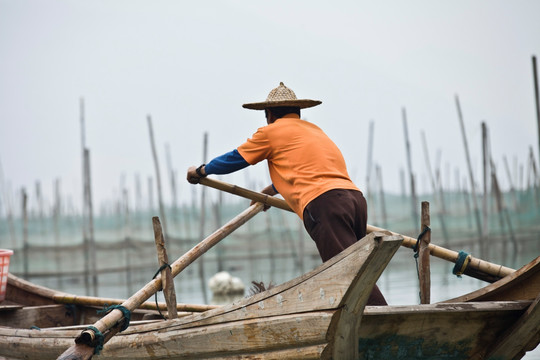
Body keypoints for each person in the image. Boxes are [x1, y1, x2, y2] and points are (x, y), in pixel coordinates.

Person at [186, 82, 387, 305]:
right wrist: (272, 190)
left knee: (348, 272)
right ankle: (375, 322)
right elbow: (311, 168)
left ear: (269, 114)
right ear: (297, 112)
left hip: (325, 204)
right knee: (360, 269)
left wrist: (201, 170)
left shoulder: (271, 132)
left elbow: (236, 158)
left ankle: (386, 325)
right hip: (354, 200)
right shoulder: (314, 131)